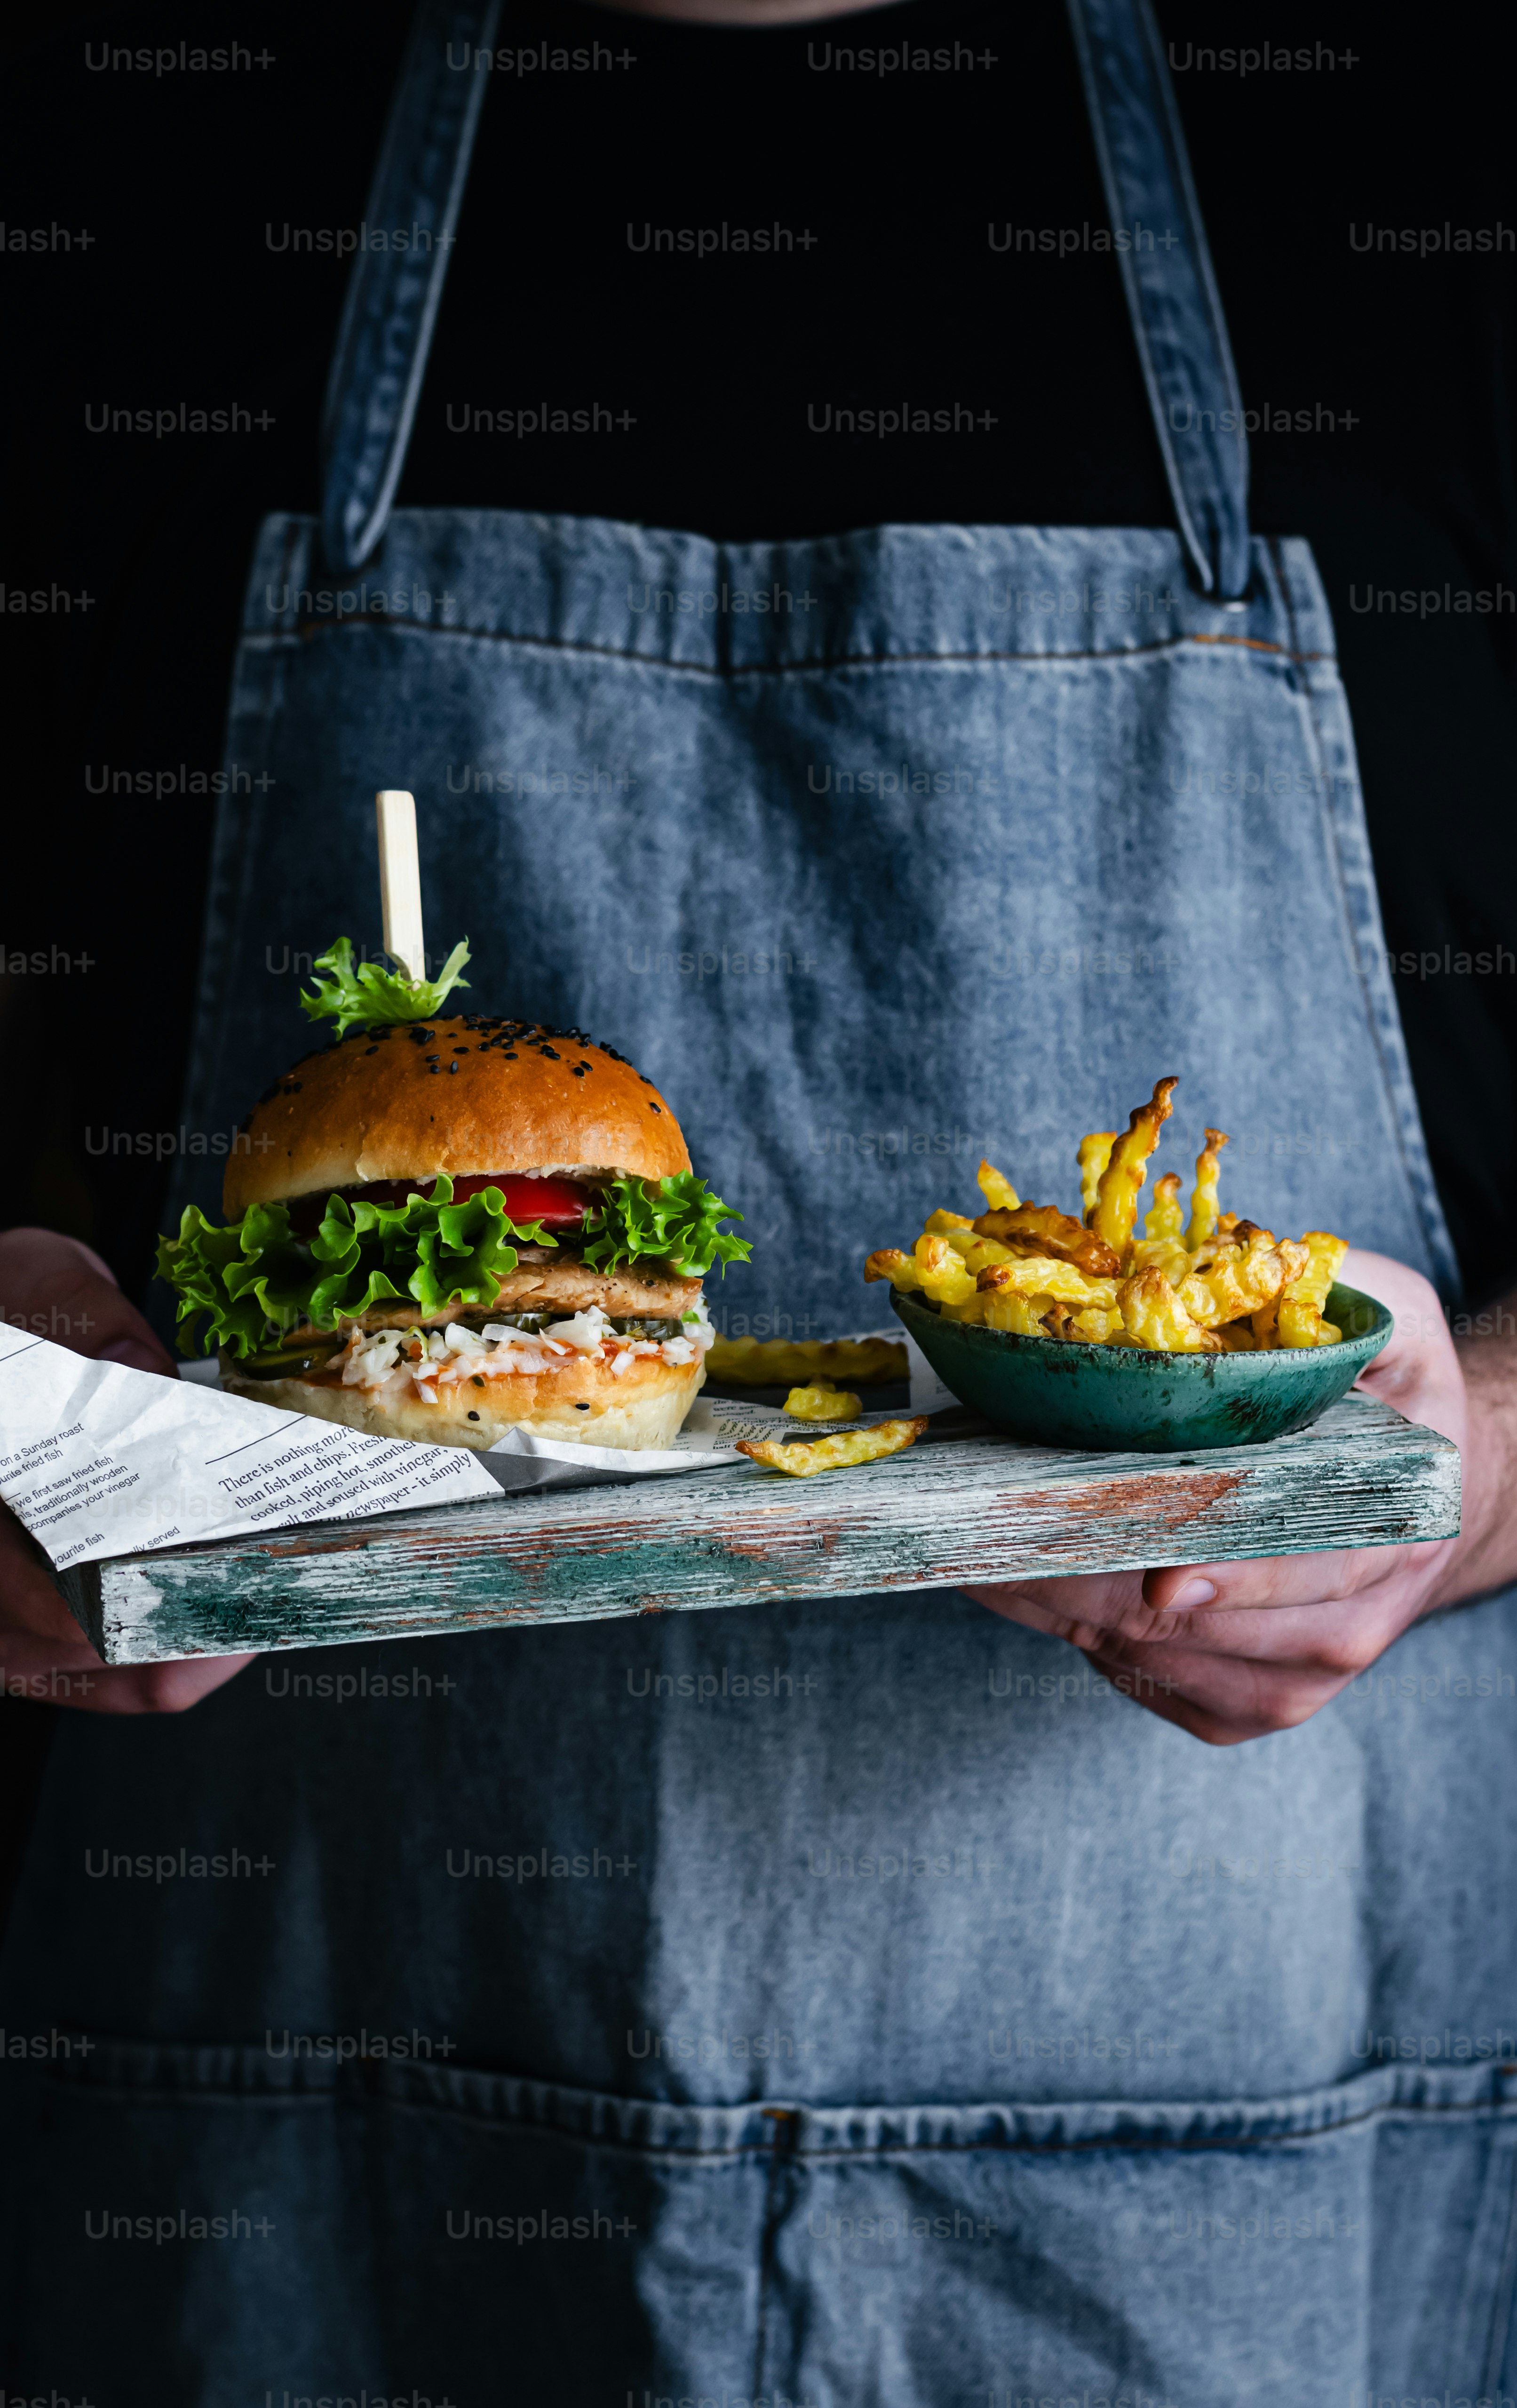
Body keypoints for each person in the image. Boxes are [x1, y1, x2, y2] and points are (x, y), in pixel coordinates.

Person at [3, 0, 1517, 2397]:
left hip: (1216, 2179)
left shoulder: (1442, 137)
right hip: (325, 2168)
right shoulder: (105, 137)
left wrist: (1479, 1460)